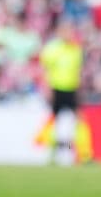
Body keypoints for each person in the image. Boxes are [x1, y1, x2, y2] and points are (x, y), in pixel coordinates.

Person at [37, 20, 92, 165]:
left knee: (80, 120)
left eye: (70, 31)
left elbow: (78, 72)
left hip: (72, 89)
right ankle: (51, 154)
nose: (69, 34)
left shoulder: (76, 50)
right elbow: (44, 70)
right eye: (66, 31)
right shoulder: (51, 49)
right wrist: (47, 88)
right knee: (53, 121)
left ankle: (85, 155)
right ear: (59, 33)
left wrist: (80, 89)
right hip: (56, 89)